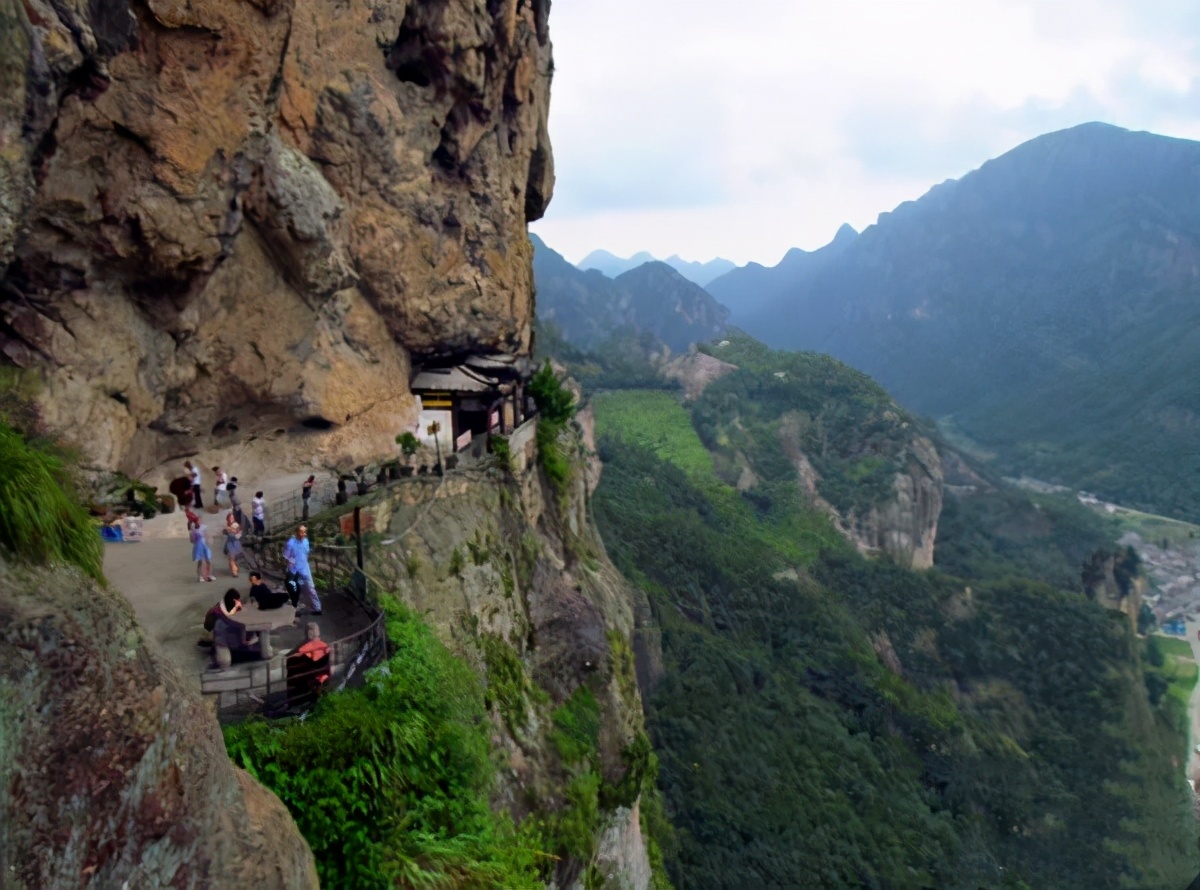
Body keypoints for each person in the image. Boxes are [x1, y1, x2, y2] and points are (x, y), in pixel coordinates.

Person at [210, 588, 260, 669]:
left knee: (256, 649)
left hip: (239, 639)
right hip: (224, 640)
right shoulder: (221, 617)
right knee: (225, 661)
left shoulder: (240, 610)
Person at [283, 525, 322, 615]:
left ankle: (317, 607)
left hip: (305, 569)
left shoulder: (306, 541)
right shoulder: (291, 543)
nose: (303, 534)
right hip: (294, 571)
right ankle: (297, 608)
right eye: (301, 532)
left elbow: (306, 554)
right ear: (296, 532)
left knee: (311, 588)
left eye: (304, 532)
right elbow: (286, 557)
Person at [189, 518, 214, 582]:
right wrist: (193, 535)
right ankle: (200, 576)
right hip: (198, 547)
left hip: (205, 546)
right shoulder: (193, 530)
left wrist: (210, 539)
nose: (198, 522)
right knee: (200, 562)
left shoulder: (204, 527)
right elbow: (192, 541)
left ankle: (209, 575)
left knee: (208, 560)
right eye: (196, 521)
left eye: (199, 520)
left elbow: (208, 536)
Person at [222, 512, 243, 577]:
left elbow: (239, 533)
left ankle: (233, 567)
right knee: (232, 558)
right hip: (230, 544)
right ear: (227, 519)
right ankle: (235, 572)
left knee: (234, 558)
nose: (231, 519)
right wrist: (227, 531)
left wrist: (236, 532)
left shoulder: (236, 525)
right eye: (230, 518)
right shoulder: (227, 527)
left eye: (232, 518)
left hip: (236, 543)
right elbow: (224, 532)